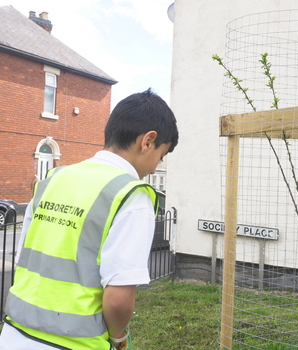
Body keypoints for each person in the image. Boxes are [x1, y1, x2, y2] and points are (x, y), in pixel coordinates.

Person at [0, 88, 179, 350]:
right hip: (76, 343)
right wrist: (118, 336)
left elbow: (24, 260)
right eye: (161, 156)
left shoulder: (53, 180)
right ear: (148, 141)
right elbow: (118, 299)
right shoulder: (132, 196)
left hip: (14, 335)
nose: (155, 167)